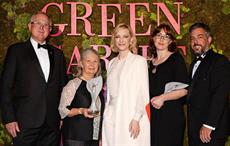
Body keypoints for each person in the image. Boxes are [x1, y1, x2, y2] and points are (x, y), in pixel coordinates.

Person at [0, 12, 67, 146]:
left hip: (51, 123)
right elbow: (5, 86)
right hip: (23, 123)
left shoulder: (58, 55)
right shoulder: (16, 51)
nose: (42, 27)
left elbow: (62, 88)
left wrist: (61, 115)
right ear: (29, 26)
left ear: (50, 29)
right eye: (38, 23)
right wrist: (9, 118)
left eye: (46, 25)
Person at [102, 23, 150, 146]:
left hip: (129, 116)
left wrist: (136, 118)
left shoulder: (139, 61)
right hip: (111, 117)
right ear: (114, 39)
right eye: (118, 36)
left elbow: (143, 92)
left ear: (131, 39)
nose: (121, 40)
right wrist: (106, 116)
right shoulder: (112, 63)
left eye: (125, 36)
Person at [187, 22, 230, 146]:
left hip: (211, 132)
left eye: (199, 37)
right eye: (192, 38)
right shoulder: (193, 64)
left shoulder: (219, 61)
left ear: (209, 39)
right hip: (195, 130)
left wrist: (209, 124)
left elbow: (220, 95)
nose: (195, 41)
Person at [148, 23, 188, 146]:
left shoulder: (176, 59)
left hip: (171, 116)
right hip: (152, 116)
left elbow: (185, 89)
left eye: (166, 37)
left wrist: (162, 98)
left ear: (171, 41)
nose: (161, 39)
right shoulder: (149, 63)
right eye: (159, 35)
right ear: (153, 38)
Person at [58, 48, 105, 146]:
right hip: (75, 138)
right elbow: (62, 110)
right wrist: (81, 111)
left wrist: (100, 138)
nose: (92, 64)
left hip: (94, 139)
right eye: (88, 61)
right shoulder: (73, 84)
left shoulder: (99, 86)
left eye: (95, 61)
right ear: (81, 64)